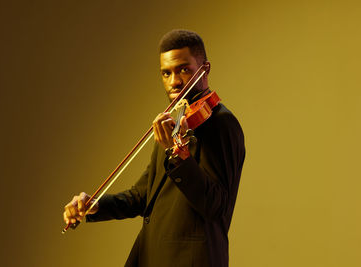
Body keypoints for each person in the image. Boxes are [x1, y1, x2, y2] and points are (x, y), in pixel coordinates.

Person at [63, 29, 245, 267]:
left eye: (183, 69)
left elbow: (216, 206)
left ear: (205, 69)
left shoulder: (221, 124)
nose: (174, 81)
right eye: (166, 73)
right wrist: (96, 205)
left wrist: (177, 154)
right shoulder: (174, 122)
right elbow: (143, 195)